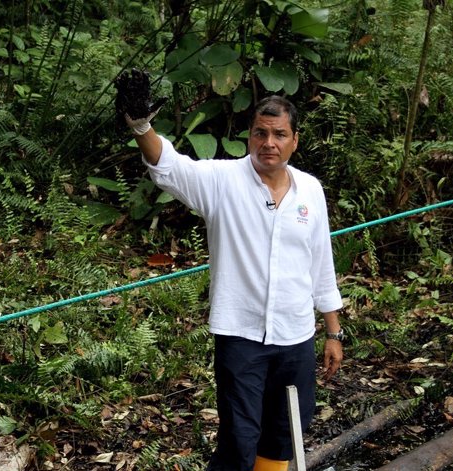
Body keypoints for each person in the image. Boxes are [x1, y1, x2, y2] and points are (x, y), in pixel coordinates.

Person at [118, 79, 344, 470]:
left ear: (294, 141)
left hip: (296, 334)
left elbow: (320, 262)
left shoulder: (311, 190)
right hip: (241, 336)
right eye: (260, 133)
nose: (268, 142)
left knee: (285, 432)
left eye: (279, 134)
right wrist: (141, 128)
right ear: (249, 137)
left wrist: (333, 331)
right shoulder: (221, 181)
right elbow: (170, 167)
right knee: (239, 438)